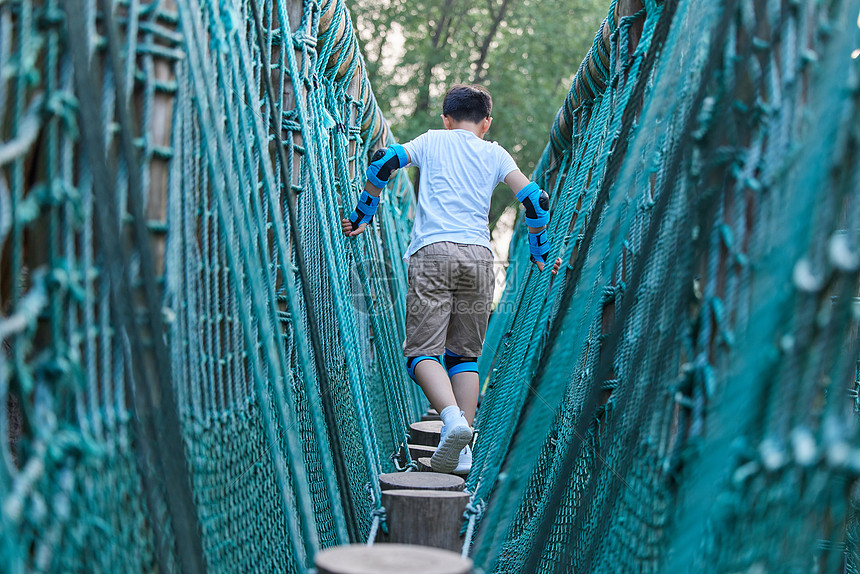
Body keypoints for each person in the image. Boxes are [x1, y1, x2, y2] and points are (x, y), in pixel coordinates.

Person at [341, 84, 558, 474]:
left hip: (433, 252)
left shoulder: (431, 141)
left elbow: (384, 162)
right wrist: (541, 255)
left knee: (420, 353)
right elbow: (535, 201)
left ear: (446, 117)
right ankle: (463, 450)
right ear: (486, 123)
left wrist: (362, 214)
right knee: (464, 357)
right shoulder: (495, 153)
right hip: (478, 257)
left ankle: (452, 421)